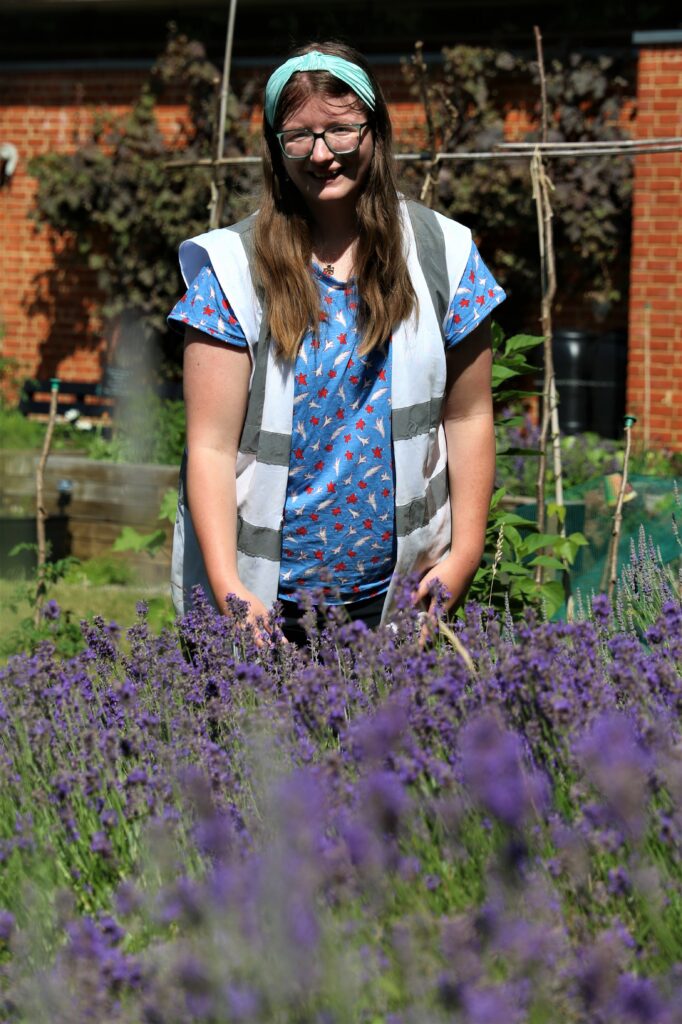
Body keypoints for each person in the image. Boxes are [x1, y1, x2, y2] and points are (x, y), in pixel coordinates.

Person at [168, 41, 504, 644]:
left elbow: (471, 413)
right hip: (263, 601)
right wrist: (228, 590)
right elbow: (210, 449)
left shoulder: (443, 255)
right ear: (277, 146)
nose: (322, 154)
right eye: (298, 136)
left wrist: (466, 554)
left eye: (342, 130)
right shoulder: (232, 271)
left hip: (403, 596)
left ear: (374, 129)